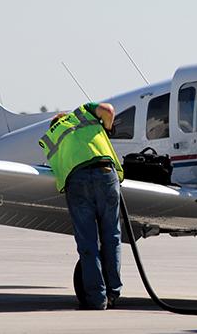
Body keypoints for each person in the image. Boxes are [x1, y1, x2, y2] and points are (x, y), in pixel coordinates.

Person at [38, 102, 124, 310]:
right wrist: (108, 128)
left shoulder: (50, 139)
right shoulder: (82, 113)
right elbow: (109, 110)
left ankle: (97, 300)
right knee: (111, 236)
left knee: (88, 243)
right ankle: (113, 293)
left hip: (77, 182)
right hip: (105, 173)